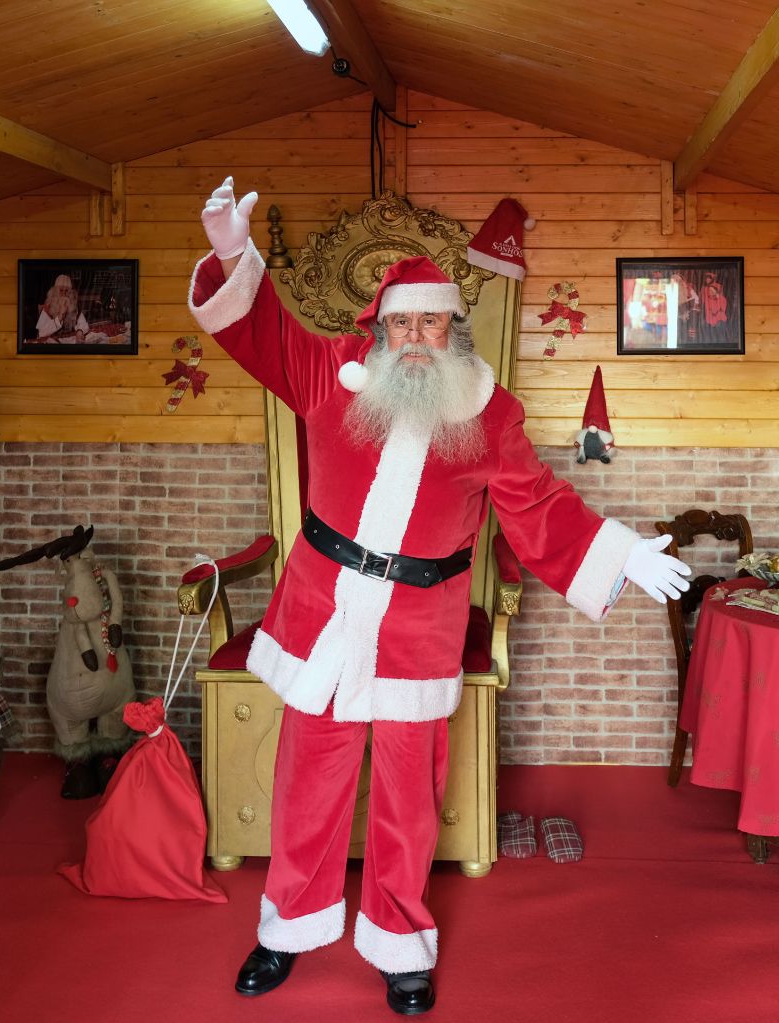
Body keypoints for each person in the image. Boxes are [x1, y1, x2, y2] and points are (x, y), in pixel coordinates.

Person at [188, 177, 692, 1016]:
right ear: (379, 328)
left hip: (420, 624)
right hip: (324, 613)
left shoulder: (487, 413)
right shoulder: (328, 375)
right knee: (306, 783)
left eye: (430, 321)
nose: (415, 337)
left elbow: (537, 504)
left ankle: (400, 943)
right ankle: (286, 929)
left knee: (407, 796)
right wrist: (236, 257)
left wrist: (619, 551)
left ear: (451, 328)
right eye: (401, 322)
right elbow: (260, 330)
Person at [35, 273, 90, 340]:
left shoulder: (73, 305)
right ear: (55, 291)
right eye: (61, 290)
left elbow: (83, 323)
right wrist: (60, 317)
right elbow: (42, 332)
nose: (64, 294)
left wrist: (80, 331)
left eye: (66, 291)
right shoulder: (48, 306)